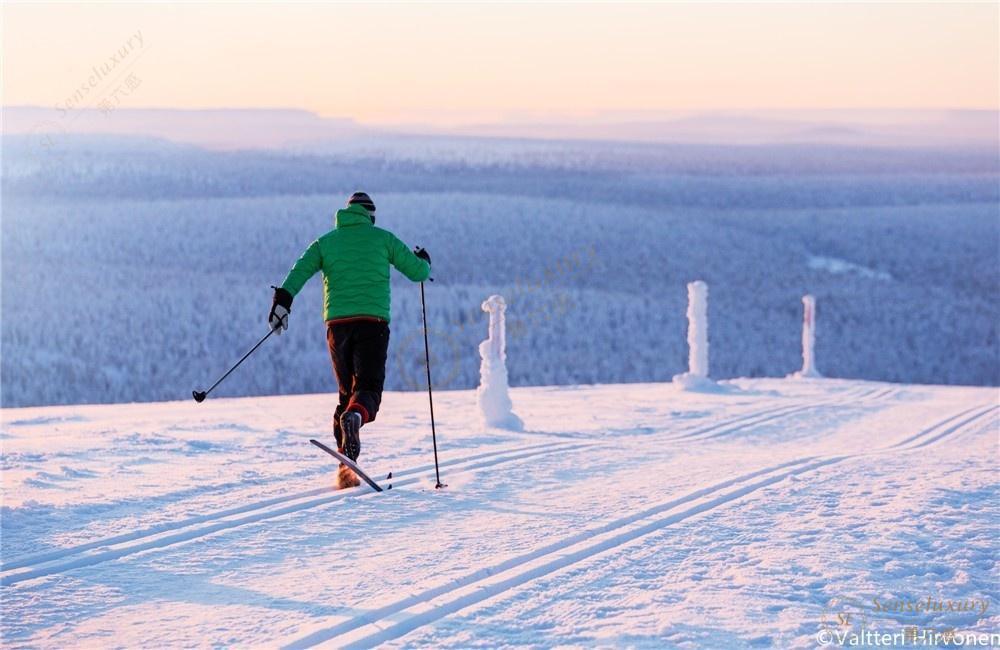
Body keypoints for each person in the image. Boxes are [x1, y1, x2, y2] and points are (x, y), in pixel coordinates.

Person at [268, 192, 431, 485]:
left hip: (337, 326)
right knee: (367, 389)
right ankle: (355, 420)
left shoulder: (326, 242)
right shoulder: (383, 239)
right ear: (370, 217)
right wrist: (424, 261)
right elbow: (417, 272)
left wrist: (283, 301)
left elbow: (300, 270)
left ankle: (346, 469)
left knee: (346, 394)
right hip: (373, 323)